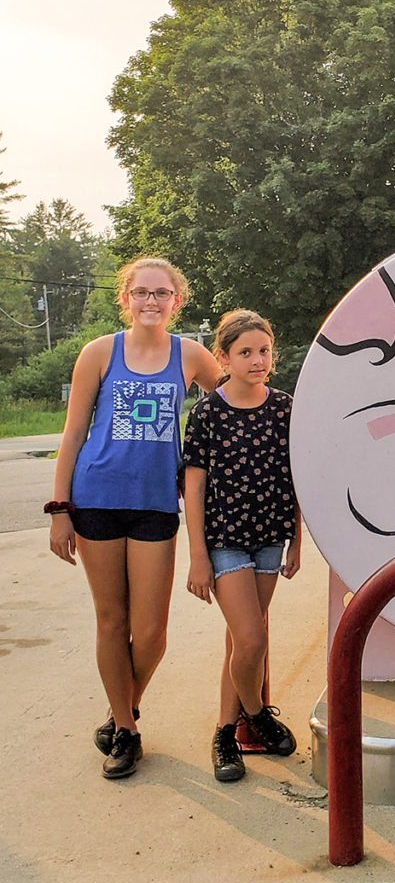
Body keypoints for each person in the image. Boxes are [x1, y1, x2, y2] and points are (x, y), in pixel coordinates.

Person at [48, 257, 222, 779]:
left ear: (177, 300)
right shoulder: (100, 352)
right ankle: (126, 729)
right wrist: (60, 510)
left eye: (161, 293)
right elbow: (74, 433)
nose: (151, 301)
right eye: (141, 292)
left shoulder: (190, 355)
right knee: (111, 620)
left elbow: (232, 404)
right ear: (125, 298)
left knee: (150, 632)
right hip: (95, 498)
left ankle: (125, 705)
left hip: (155, 503)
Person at [182, 309, 301, 783]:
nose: (257, 360)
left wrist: (295, 542)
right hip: (225, 542)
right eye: (245, 352)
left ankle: (229, 731)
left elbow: (298, 478)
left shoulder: (286, 407)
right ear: (224, 357)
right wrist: (196, 557)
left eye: (264, 350)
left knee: (242, 640)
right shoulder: (208, 412)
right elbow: (193, 488)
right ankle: (251, 719)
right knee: (251, 639)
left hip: (270, 539)